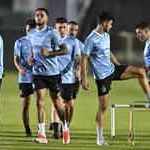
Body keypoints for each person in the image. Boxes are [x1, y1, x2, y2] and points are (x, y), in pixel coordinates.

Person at [81, 11, 150, 145]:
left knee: (141, 72)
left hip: (113, 69)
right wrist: (84, 78)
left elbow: (109, 52)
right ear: (104, 23)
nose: (111, 27)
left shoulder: (106, 35)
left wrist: (120, 67)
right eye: (110, 24)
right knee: (103, 106)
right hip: (102, 76)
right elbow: (84, 58)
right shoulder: (91, 39)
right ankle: (99, 138)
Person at [27, 8, 70, 144]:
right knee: (39, 102)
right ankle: (42, 135)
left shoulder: (52, 32)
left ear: (47, 19)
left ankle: (64, 127)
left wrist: (49, 53)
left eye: (41, 15)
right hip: (38, 73)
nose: (39, 17)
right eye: (37, 15)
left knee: (56, 103)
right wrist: (31, 59)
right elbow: (33, 49)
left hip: (53, 74)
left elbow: (65, 50)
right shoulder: (31, 33)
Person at [49, 17, 81, 139]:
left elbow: (78, 57)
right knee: (56, 102)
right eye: (60, 27)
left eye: (64, 28)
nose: (62, 30)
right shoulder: (51, 41)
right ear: (55, 27)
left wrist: (78, 70)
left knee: (67, 105)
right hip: (54, 77)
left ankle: (65, 126)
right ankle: (56, 131)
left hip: (68, 79)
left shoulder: (73, 41)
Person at [14, 19, 36, 137]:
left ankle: (41, 129)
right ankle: (27, 129)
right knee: (25, 103)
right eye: (28, 30)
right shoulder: (20, 42)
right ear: (26, 29)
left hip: (38, 76)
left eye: (32, 31)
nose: (30, 33)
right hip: (25, 77)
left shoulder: (39, 42)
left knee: (39, 103)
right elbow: (16, 59)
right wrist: (20, 69)